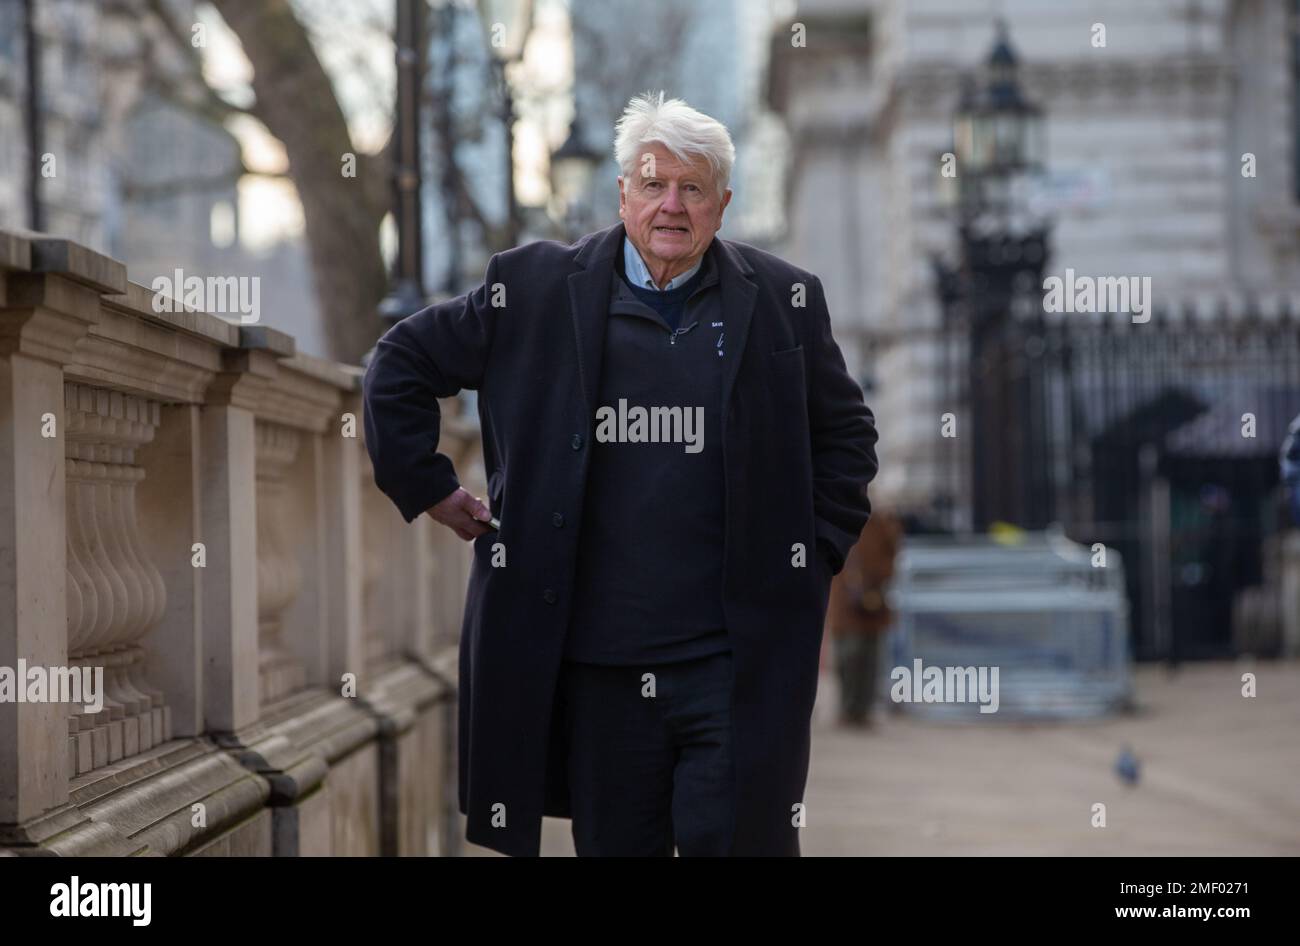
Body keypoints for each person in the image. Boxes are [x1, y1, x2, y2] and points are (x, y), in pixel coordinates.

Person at [361, 92, 878, 857]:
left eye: (693, 188)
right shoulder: (532, 289)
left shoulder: (784, 299)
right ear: (623, 195)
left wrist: (815, 555)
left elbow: (846, 437)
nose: (672, 205)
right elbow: (398, 363)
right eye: (654, 184)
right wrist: (430, 485)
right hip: (596, 672)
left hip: (734, 665)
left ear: (723, 204)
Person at [827, 509, 902, 727]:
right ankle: (848, 707)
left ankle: (863, 708)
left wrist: (877, 585)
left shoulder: (881, 522)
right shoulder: (839, 515)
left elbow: (892, 553)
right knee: (849, 655)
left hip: (875, 598)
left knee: (871, 657)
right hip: (846, 602)